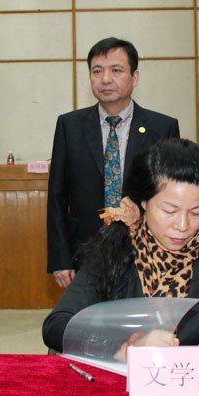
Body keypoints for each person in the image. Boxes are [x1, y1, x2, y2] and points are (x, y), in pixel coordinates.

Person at [43, 138, 199, 360]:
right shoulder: (111, 251)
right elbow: (56, 325)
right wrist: (123, 347)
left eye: (196, 211)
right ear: (143, 201)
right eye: (170, 211)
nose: (183, 226)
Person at [48, 37, 180, 288]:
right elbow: (57, 196)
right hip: (85, 250)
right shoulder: (69, 126)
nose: (105, 79)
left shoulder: (163, 127)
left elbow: (172, 196)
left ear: (135, 77)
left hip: (149, 251)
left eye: (116, 70)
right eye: (97, 71)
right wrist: (60, 259)